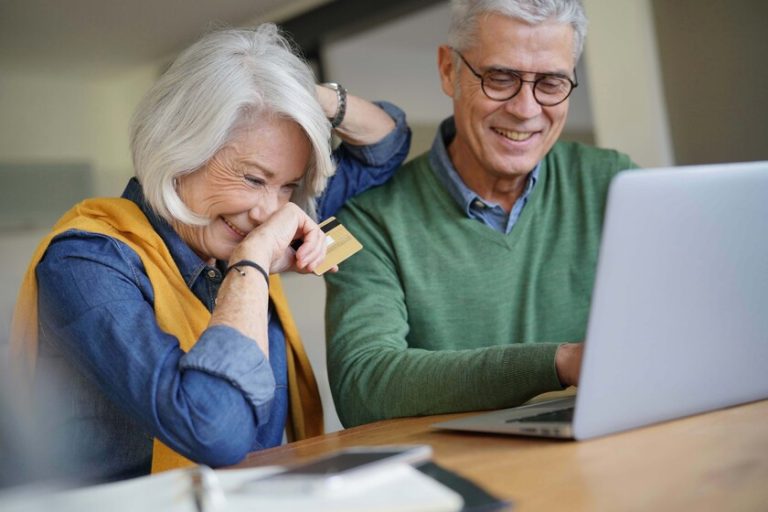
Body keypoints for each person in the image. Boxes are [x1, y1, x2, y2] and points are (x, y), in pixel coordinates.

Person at [9, 23, 410, 482]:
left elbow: (386, 144)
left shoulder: (250, 221)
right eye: (253, 178)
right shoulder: (86, 263)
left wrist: (289, 87)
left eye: (289, 186)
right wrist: (252, 265)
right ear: (179, 149)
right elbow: (212, 433)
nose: (270, 212)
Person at [325, 0, 638, 427]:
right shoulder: (364, 219)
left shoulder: (615, 183)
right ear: (448, 70)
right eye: (500, 78)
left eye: (550, 83)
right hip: (462, 467)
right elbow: (361, 385)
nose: (526, 109)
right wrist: (559, 363)